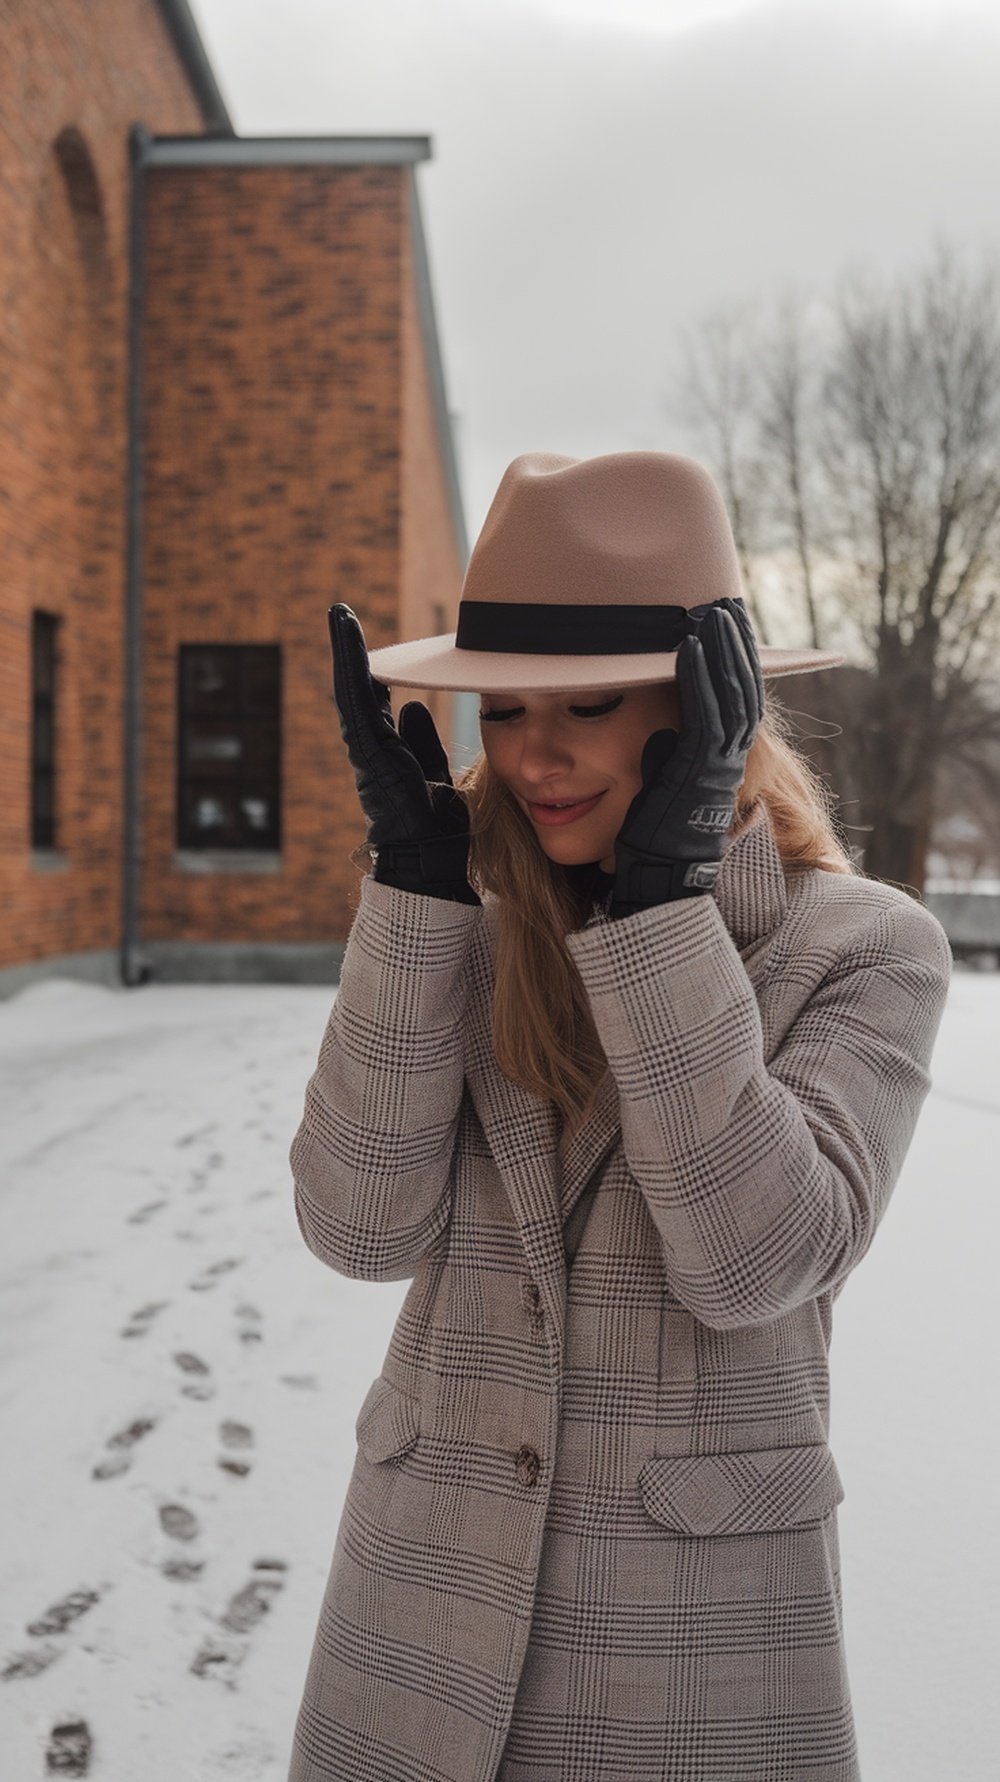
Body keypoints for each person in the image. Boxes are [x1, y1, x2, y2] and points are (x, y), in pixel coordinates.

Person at [285, 452, 951, 1782]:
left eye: (589, 704)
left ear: (710, 708)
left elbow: (755, 1261)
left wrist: (660, 913)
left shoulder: (864, 948)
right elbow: (359, 1230)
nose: (535, 756)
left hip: (688, 1648)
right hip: (417, 1614)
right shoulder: (460, 924)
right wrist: (414, 891)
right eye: (504, 709)